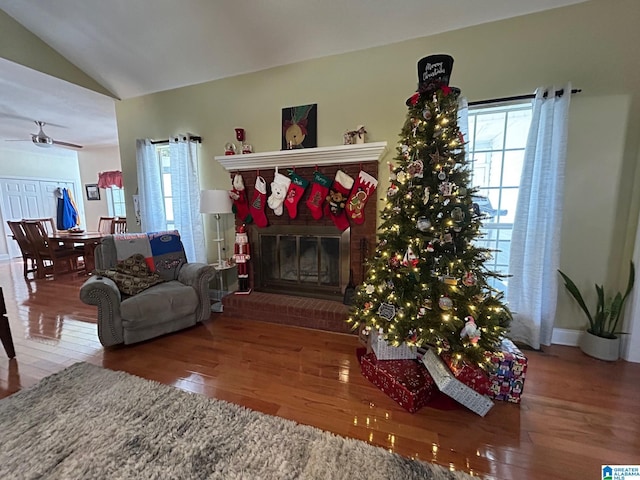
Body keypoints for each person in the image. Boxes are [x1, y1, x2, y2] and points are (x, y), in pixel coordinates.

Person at [233, 225, 251, 293]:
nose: (241, 240)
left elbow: (248, 252)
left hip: (244, 260)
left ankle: (246, 286)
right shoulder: (236, 245)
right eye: (239, 238)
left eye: (242, 238)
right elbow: (235, 252)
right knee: (240, 272)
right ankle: (241, 287)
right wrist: (235, 255)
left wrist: (248, 255)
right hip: (239, 260)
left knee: (245, 271)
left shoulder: (246, 245)